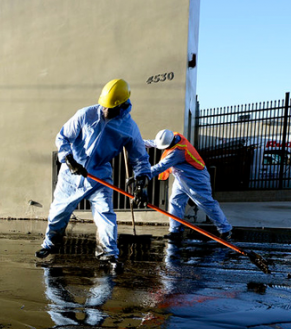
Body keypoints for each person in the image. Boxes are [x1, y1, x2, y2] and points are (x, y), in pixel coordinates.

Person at [36, 79, 151, 272]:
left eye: (109, 109)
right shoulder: (86, 114)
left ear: (122, 106)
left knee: (106, 215)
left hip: (100, 177)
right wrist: (68, 159)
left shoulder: (129, 128)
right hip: (71, 175)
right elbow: (63, 136)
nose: (104, 111)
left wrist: (142, 183)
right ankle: (50, 244)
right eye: (103, 106)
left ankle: (109, 254)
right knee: (58, 212)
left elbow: (140, 158)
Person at [142, 129, 232, 242]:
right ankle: (175, 231)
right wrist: (134, 142)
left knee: (206, 204)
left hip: (196, 179)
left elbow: (160, 167)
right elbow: (154, 142)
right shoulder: (173, 137)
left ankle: (225, 230)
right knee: (175, 202)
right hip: (181, 177)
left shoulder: (178, 152)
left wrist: (141, 175)